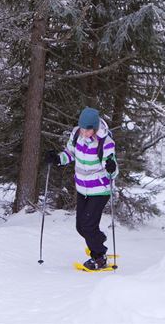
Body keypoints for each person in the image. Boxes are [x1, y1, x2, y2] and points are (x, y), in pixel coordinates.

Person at [44, 107, 118, 270]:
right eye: (83, 128)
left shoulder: (105, 142)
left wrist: (111, 167)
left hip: (99, 189)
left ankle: (99, 256)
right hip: (82, 188)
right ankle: (97, 240)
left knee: (88, 226)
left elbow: (112, 170)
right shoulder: (76, 134)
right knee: (80, 226)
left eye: (88, 129)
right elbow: (69, 153)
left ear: (95, 128)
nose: (84, 132)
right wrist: (57, 158)